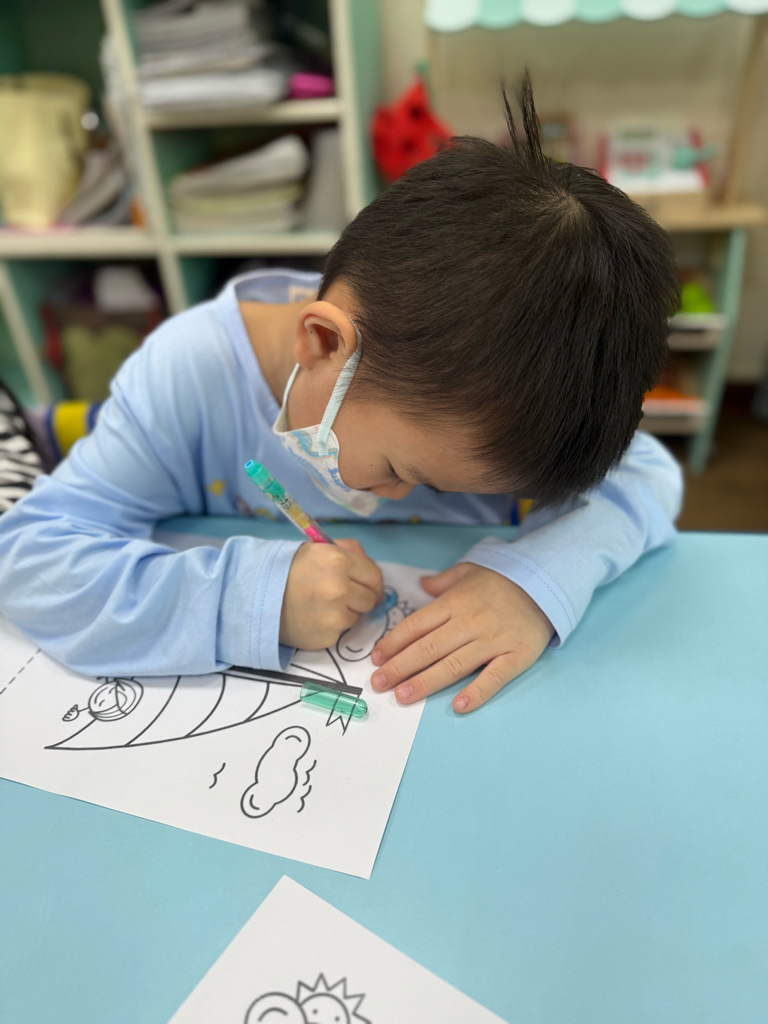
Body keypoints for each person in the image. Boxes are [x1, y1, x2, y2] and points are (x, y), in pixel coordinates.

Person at [0, 79, 682, 714]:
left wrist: (534, 581)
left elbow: (650, 472)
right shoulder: (188, 376)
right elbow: (29, 559)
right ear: (322, 343)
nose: (398, 497)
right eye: (402, 471)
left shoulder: (510, 397)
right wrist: (250, 599)